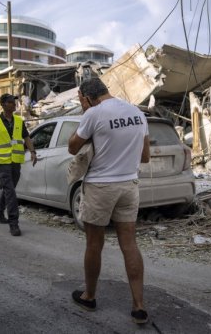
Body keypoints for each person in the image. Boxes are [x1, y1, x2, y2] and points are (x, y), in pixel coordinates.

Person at [68, 78, 151, 324]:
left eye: (81, 100)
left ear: (86, 97)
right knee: (130, 244)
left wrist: (86, 113)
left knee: (94, 244)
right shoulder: (136, 112)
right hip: (129, 186)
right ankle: (138, 306)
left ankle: (89, 296)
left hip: (101, 186)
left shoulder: (93, 112)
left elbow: (73, 147)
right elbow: (145, 156)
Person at [0, 93, 37, 236]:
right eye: (10, 102)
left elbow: (26, 137)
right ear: (3, 104)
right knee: (10, 191)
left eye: (14, 103)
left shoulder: (19, 121)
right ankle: (13, 223)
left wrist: (32, 151)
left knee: (10, 189)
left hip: (15, 160)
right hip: (2, 161)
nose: (13, 105)